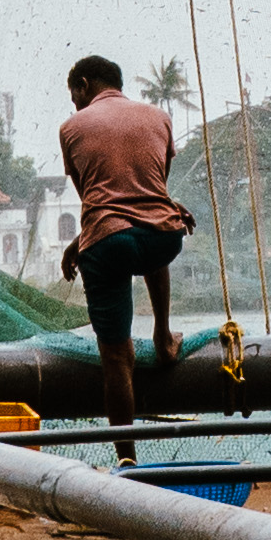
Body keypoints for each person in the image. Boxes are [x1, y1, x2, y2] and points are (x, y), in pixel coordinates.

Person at [56, 54, 191, 452]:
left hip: (109, 242)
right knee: (153, 232)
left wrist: (84, 241)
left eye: (74, 94)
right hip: (163, 236)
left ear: (83, 85)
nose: (75, 104)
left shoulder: (71, 128)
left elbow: (96, 204)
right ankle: (164, 336)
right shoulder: (158, 117)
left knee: (116, 358)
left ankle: (127, 462)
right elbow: (150, 193)